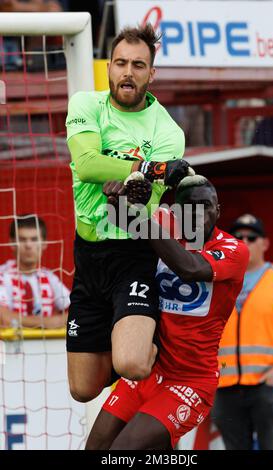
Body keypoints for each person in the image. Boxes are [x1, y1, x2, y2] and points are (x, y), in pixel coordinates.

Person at [65, 23, 191, 404]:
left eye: (138, 65)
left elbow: (143, 201)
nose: (128, 72)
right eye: (120, 62)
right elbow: (86, 164)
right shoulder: (85, 103)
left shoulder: (168, 131)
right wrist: (151, 169)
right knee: (83, 389)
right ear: (108, 67)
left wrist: (137, 181)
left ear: (151, 73)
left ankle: (157, 359)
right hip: (87, 257)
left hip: (132, 254)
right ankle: (126, 346)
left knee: (133, 363)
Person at [84, 175, 249, 450]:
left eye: (205, 206)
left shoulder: (233, 250)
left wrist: (141, 217)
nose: (197, 214)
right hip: (148, 370)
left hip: (191, 381)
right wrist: (116, 200)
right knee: (97, 447)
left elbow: (190, 268)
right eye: (188, 207)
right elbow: (115, 222)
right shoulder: (164, 226)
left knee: (122, 451)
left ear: (217, 210)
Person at [212, 213, 273, 450]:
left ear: (265, 243)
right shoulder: (218, 280)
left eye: (252, 237)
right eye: (239, 237)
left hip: (268, 385)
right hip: (225, 386)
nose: (245, 241)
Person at [0, 215, 69, 329]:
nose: (28, 245)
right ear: (12, 243)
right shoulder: (2, 275)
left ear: (44, 244)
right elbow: (4, 318)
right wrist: (48, 322)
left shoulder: (50, 277)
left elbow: (76, 312)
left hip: (46, 345)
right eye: (22, 240)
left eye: (34, 239)